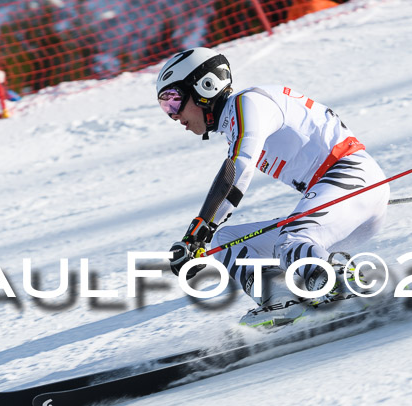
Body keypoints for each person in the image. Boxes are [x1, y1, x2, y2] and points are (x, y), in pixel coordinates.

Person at [157, 47, 389, 327]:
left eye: (174, 101)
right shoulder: (236, 121)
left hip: (353, 179)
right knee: (225, 243)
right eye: (165, 106)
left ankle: (340, 282)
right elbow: (234, 171)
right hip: (341, 202)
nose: (173, 115)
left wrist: (198, 229)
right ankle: (279, 298)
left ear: (205, 86)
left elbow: (238, 169)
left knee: (291, 239)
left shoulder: (249, 104)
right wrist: (204, 235)